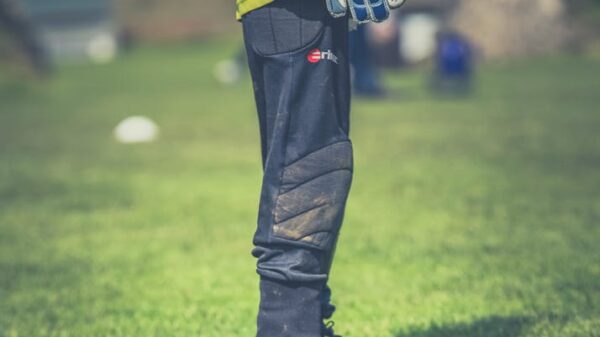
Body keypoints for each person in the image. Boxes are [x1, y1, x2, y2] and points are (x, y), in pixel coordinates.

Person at [237, 0, 406, 336]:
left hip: (297, 14)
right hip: (295, 12)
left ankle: (305, 323)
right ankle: (288, 328)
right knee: (309, 172)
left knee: (314, 165)